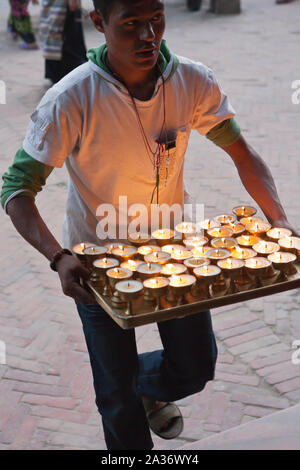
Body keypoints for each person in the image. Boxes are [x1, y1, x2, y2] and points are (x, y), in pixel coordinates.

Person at [1, 0, 297, 450]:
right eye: (131, 24)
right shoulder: (71, 97)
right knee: (115, 402)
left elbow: (241, 153)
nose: (148, 36)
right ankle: (125, 402)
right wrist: (58, 257)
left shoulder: (191, 80)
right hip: (96, 265)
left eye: (156, 20)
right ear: (99, 23)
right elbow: (16, 190)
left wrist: (279, 220)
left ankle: (141, 385)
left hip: (173, 250)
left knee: (195, 366)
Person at [40, 0, 87, 85]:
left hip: (63, 5)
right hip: (54, 4)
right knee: (52, 34)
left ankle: (73, 77)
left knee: (64, 37)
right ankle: (59, 77)